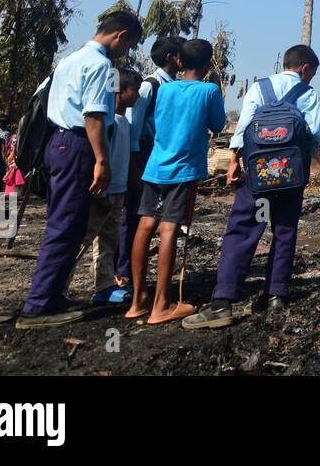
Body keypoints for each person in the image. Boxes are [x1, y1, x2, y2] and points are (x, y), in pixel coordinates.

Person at [184, 45, 320, 330]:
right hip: (290, 179)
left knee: (242, 230)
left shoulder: (260, 88)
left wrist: (235, 162)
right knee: (284, 232)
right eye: (312, 73)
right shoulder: (307, 94)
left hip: (257, 178)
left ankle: (223, 302)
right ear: (305, 68)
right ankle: (276, 295)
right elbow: (318, 133)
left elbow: (244, 126)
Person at [18, 10, 142, 328]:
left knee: (70, 226)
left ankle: (54, 294)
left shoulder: (69, 61)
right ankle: (39, 304)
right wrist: (102, 160)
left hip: (57, 144)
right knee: (64, 227)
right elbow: (94, 117)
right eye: (129, 45)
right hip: (76, 145)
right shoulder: (100, 65)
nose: (125, 52)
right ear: (120, 35)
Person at [127, 39, 224, 325]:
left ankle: (137, 300)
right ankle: (162, 304)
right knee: (169, 229)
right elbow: (217, 125)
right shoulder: (209, 90)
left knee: (145, 225)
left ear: (179, 61)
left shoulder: (165, 88)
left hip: (155, 165)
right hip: (183, 169)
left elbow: (157, 123)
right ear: (208, 64)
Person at [117, 35, 184, 290]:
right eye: (180, 55)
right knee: (134, 216)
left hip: (160, 157)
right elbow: (134, 130)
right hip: (143, 157)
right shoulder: (150, 86)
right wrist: (134, 169)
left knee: (151, 218)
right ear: (171, 58)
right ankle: (124, 273)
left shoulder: (173, 86)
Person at [71, 68, 140, 305]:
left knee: (108, 241)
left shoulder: (124, 122)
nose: (138, 96)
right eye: (135, 90)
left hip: (118, 190)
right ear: (121, 91)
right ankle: (57, 285)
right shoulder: (106, 122)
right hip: (103, 190)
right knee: (83, 239)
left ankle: (104, 286)